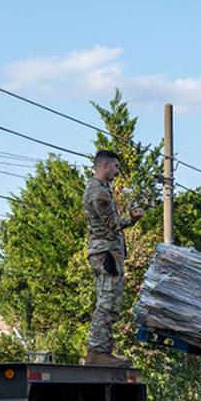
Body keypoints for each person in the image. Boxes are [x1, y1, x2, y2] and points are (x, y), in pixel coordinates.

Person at [83, 150, 144, 367]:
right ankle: (97, 352)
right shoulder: (98, 192)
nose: (118, 172)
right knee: (107, 302)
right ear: (106, 165)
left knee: (111, 301)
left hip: (107, 252)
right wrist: (133, 219)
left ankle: (103, 351)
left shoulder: (101, 189)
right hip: (106, 253)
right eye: (116, 167)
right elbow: (112, 224)